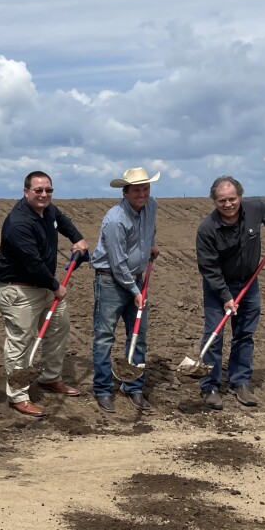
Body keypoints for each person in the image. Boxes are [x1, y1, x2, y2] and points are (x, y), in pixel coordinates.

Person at [0, 171, 89, 417]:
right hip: (19, 290)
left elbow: (62, 219)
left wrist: (77, 238)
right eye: (38, 190)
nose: (44, 195)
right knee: (20, 342)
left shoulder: (48, 210)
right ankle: (18, 396)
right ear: (26, 192)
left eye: (48, 190)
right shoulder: (18, 223)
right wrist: (56, 286)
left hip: (44, 285)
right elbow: (32, 264)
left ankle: (49, 377)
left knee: (59, 326)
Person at [195, 175, 265, 410]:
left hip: (249, 283)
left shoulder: (256, 209)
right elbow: (209, 269)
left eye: (232, 199)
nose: (228, 205)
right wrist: (226, 297)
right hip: (219, 287)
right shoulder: (207, 229)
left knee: (245, 334)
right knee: (214, 336)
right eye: (222, 201)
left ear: (240, 197)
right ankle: (211, 386)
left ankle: (240, 382)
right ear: (214, 202)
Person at [91, 166, 161, 414]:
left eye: (146, 188)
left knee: (138, 335)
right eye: (137, 190)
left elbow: (150, 228)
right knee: (104, 337)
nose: (142, 194)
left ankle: (134, 387)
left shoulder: (151, 205)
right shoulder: (115, 220)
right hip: (110, 281)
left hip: (137, 279)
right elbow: (117, 263)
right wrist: (135, 291)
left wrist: (150, 245)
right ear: (126, 191)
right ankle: (102, 389)